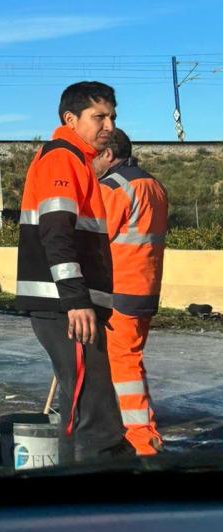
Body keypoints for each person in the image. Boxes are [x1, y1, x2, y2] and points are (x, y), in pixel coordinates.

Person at [16, 81, 132, 463]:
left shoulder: (76, 160)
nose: (109, 125)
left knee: (79, 401)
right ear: (71, 119)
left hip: (67, 304)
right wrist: (76, 300)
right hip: (64, 306)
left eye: (112, 116)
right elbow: (56, 233)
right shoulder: (62, 159)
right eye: (99, 116)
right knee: (92, 410)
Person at [92, 128, 169, 456]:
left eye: (94, 155)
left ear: (108, 154)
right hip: (146, 287)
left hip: (119, 289)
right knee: (130, 360)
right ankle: (134, 428)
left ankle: (141, 438)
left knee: (125, 365)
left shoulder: (113, 188)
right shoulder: (154, 185)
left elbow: (96, 240)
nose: (90, 163)